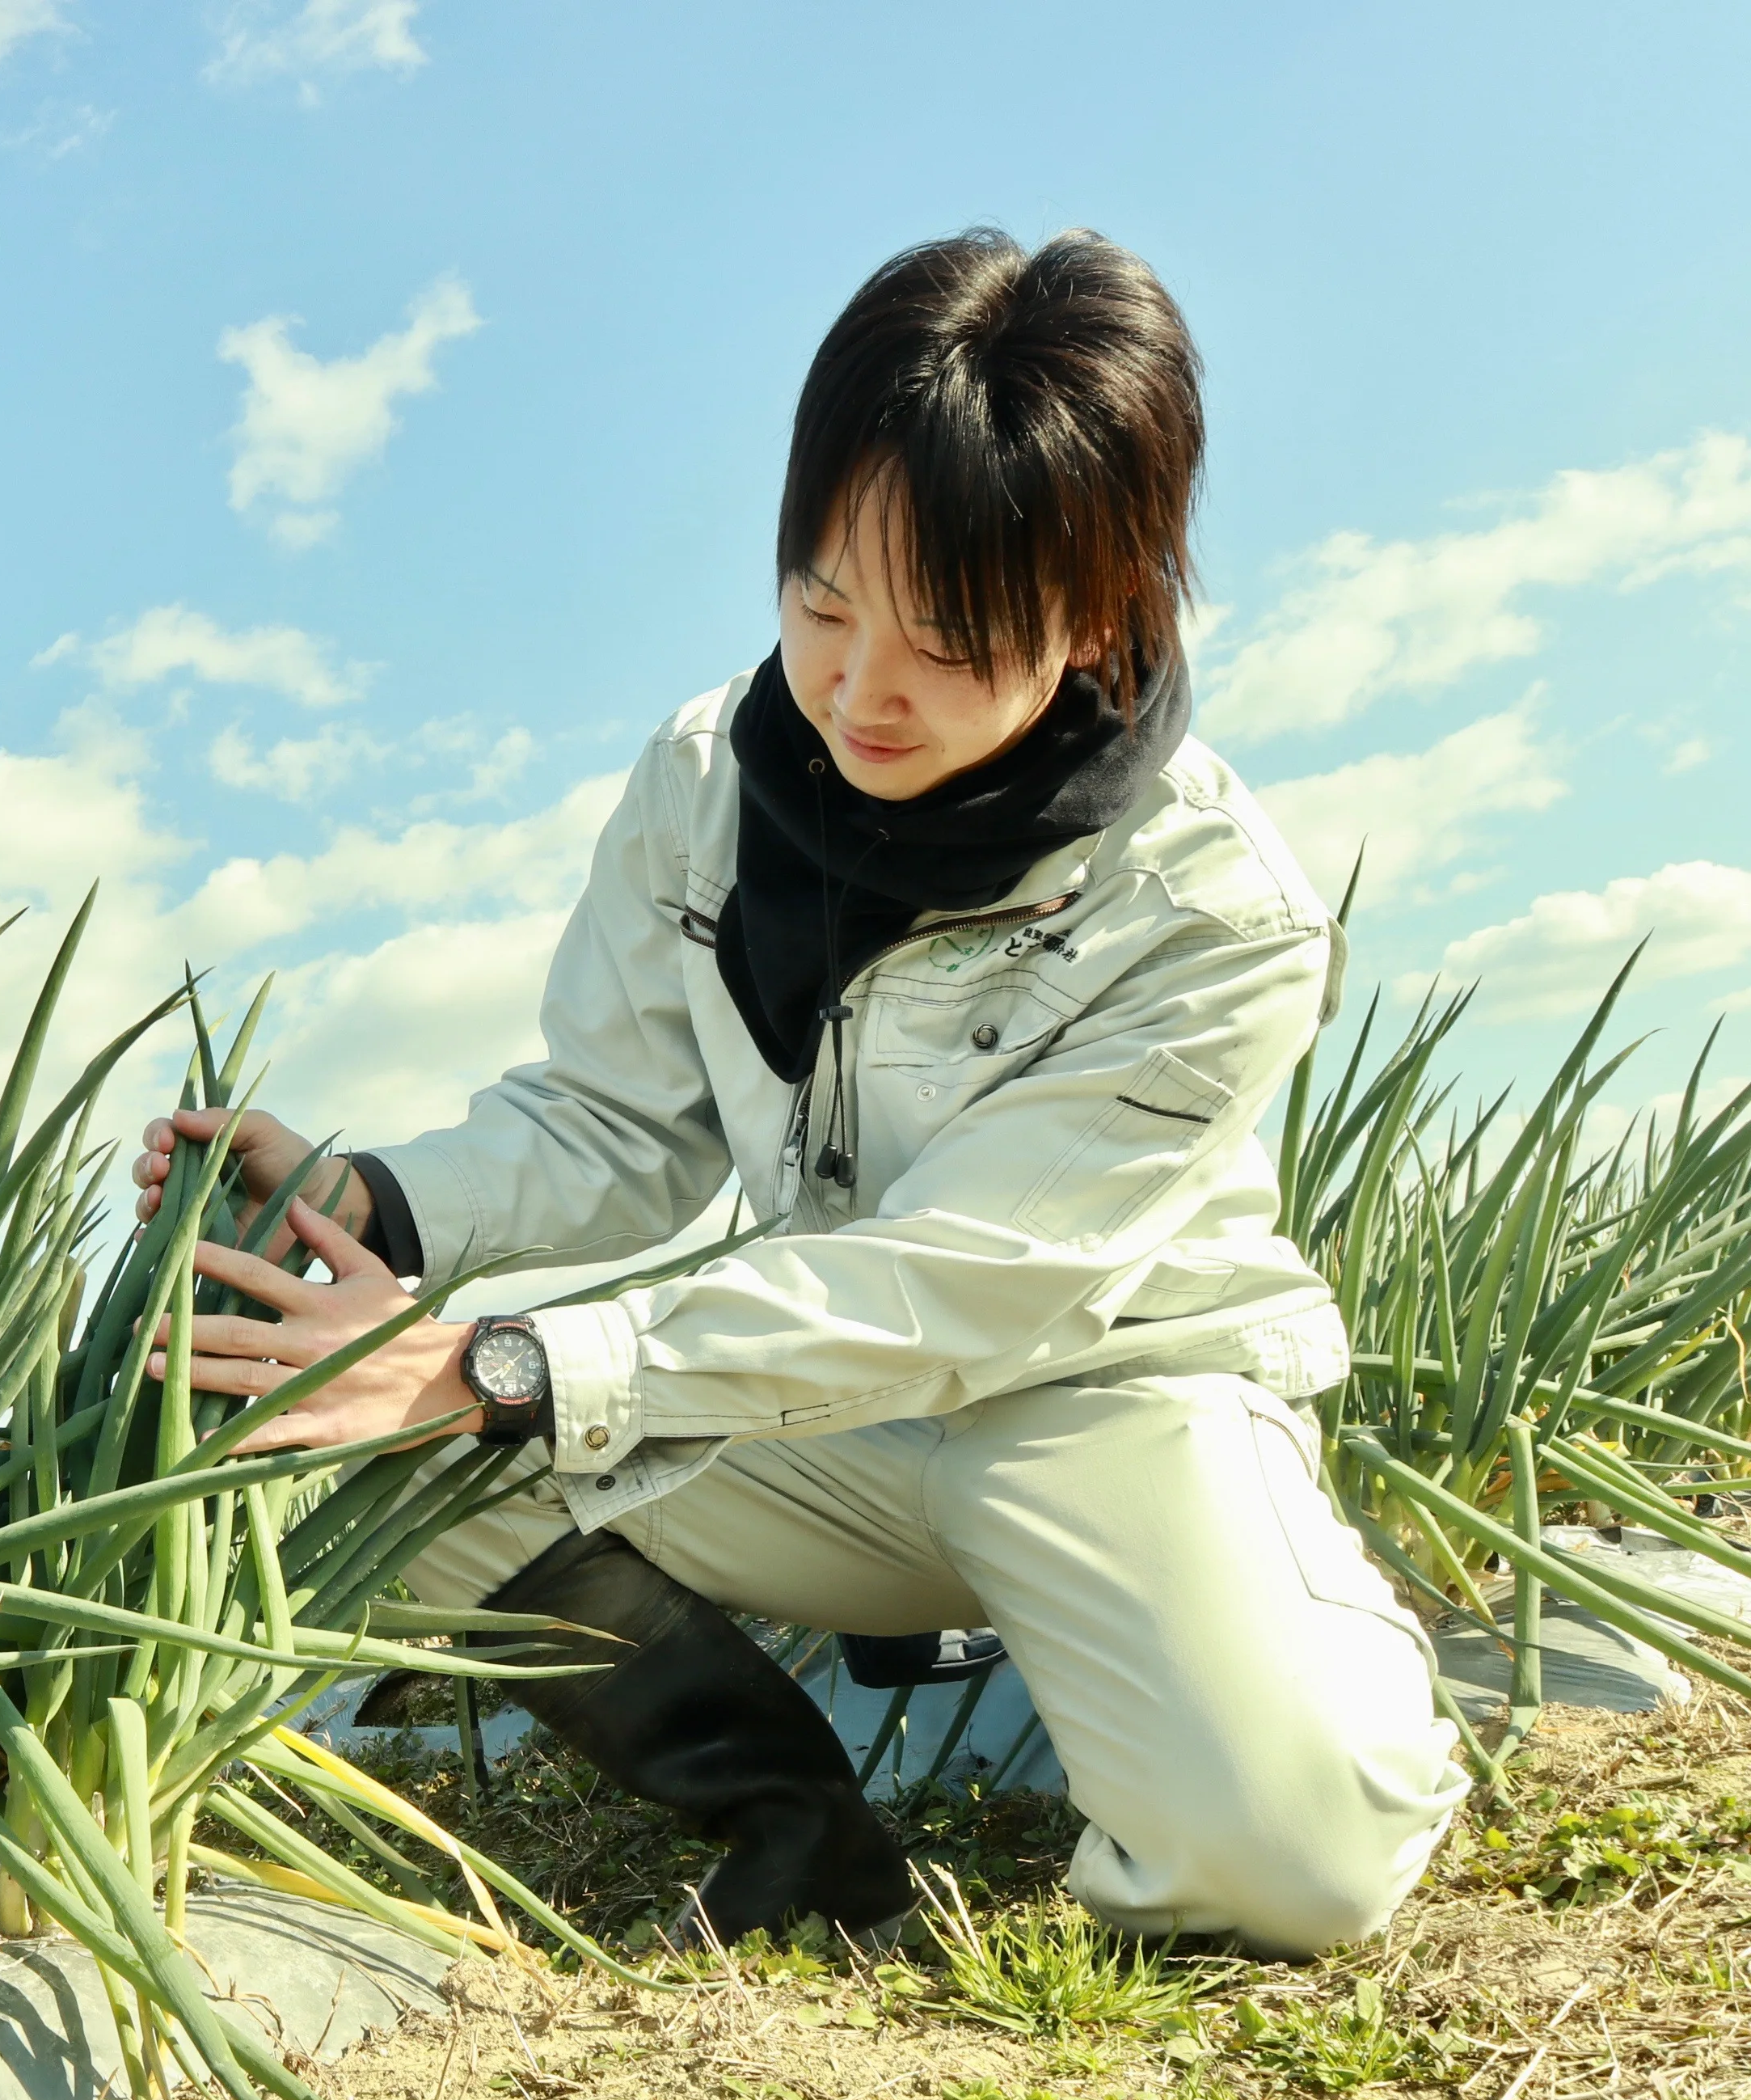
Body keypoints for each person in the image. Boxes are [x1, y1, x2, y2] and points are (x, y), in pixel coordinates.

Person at [130, 228, 1467, 1958]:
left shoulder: (1213, 911)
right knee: (360, 1437)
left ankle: (1282, 1640)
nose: (857, 691)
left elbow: (969, 1284)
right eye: (823, 604)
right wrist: (367, 1199)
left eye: (951, 640)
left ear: (1100, 612)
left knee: (1294, 1867)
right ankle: (804, 1836)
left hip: (1104, 1403)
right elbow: (619, 1125)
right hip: (823, 1412)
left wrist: (507, 1359)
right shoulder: (707, 775)